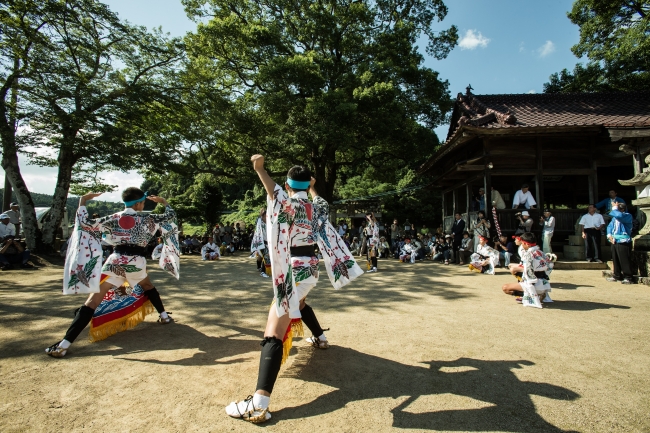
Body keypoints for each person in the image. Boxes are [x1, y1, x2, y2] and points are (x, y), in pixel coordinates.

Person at [225, 155, 362, 423]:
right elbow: (318, 197)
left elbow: (269, 187)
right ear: (307, 184)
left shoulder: (284, 201)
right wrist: (311, 186)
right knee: (298, 304)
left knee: (273, 333)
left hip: (292, 269)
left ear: (287, 186)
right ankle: (320, 337)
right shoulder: (318, 207)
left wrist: (260, 168)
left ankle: (259, 402)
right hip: (311, 268)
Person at [46, 188, 179, 358]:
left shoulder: (113, 218)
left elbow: (85, 223)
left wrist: (83, 201)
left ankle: (64, 345)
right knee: (147, 285)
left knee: (92, 302)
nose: (143, 205)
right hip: (136, 262)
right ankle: (164, 316)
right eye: (143, 202)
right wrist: (164, 203)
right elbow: (170, 216)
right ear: (138, 203)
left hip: (115, 261)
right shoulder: (148, 218)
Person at [501, 233, 553, 308]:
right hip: (545, 284)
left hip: (534, 285)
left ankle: (531, 296)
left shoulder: (529, 254)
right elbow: (550, 265)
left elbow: (529, 271)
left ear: (526, 244)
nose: (522, 245)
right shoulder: (541, 253)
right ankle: (539, 294)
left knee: (505, 287)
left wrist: (530, 283)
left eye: (522, 243)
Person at [606, 203, 633, 284]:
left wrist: (614, 207)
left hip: (623, 240)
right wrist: (609, 235)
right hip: (614, 240)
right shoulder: (614, 218)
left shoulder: (627, 216)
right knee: (615, 259)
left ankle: (628, 277)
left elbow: (619, 216)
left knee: (624, 259)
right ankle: (617, 275)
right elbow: (609, 226)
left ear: (622, 210)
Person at [251, 209, 271, 277]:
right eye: (265, 216)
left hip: (269, 243)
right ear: (262, 217)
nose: (266, 217)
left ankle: (260, 268)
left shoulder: (270, 223)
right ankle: (263, 271)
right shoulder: (260, 223)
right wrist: (260, 214)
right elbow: (258, 220)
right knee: (266, 256)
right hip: (262, 243)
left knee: (262, 256)